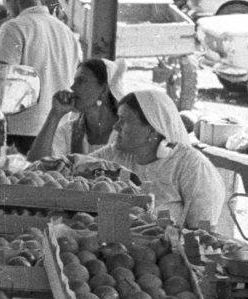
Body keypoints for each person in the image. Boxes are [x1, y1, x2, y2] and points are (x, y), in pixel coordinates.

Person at [93, 86, 225, 231]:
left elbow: (204, 231)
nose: (116, 126)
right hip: (112, 246)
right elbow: (73, 166)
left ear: (154, 129)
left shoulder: (191, 166)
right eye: (118, 119)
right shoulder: (115, 154)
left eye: (125, 121)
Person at [0, 0, 82, 154]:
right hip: (60, 131)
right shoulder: (67, 33)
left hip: (22, 133)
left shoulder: (13, 27)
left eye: (4, 1)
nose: (6, 8)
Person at [27, 57, 127, 160]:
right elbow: (36, 163)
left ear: (103, 90)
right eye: (75, 81)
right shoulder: (70, 131)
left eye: (81, 81)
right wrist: (55, 114)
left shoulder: (125, 133)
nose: (72, 87)